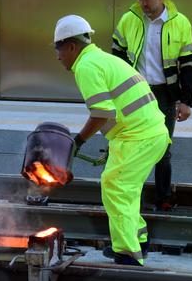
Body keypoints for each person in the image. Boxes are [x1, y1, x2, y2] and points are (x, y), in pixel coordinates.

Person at [55, 14, 169, 266]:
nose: (58, 56)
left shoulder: (86, 66)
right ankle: (138, 241)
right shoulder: (101, 58)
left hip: (138, 136)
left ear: (71, 46)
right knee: (127, 190)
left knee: (115, 186)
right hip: (146, 133)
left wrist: (78, 141)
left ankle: (127, 254)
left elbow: (101, 113)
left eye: (59, 49)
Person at [111, 0, 192, 211]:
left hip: (164, 94)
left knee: (163, 148)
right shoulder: (129, 19)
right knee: (131, 148)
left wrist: (185, 100)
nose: (143, 3)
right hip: (134, 93)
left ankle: (163, 199)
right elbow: (116, 57)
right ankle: (131, 199)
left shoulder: (180, 23)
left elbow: (188, 65)